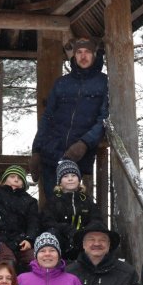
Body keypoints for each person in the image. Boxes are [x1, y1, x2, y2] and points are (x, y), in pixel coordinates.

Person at [30, 37, 109, 198]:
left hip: (79, 156)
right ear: (74, 55)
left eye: (87, 52)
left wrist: (84, 143)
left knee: (76, 206)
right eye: (79, 52)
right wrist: (36, 150)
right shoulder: (62, 83)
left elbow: (105, 118)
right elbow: (47, 117)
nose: (83, 56)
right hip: (51, 152)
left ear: (94, 54)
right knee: (52, 204)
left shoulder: (105, 83)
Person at [65, 221, 138, 285]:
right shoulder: (69, 274)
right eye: (91, 239)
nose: (97, 243)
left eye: (102, 240)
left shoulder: (127, 274)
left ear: (109, 245)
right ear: (83, 244)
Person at [40, 160, 95, 260]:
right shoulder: (53, 201)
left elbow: (96, 219)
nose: (70, 179)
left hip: (83, 240)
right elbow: (47, 222)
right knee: (51, 233)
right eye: (65, 176)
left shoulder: (86, 200)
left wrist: (84, 232)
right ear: (59, 182)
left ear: (79, 179)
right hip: (62, 240)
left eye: (73, 176)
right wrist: (67, 229)